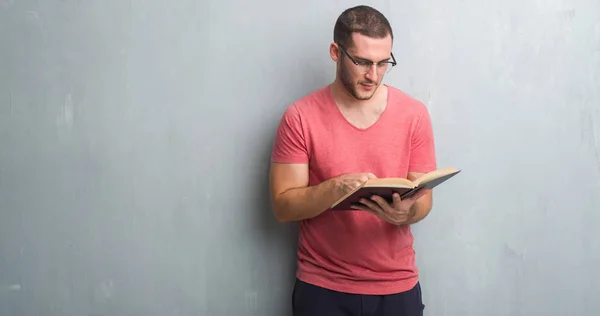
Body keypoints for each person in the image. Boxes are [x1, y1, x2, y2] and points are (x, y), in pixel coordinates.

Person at [269, 5, 437, 316]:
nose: (373, 75)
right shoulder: (300, 117)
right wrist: (334, 189)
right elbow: (282, 207)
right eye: (362, 62)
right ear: (336, 51)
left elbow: (424, 201)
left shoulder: (414, 115)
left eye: (383, 63)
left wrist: (407, 213)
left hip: (397, 286)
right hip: (323, 288)